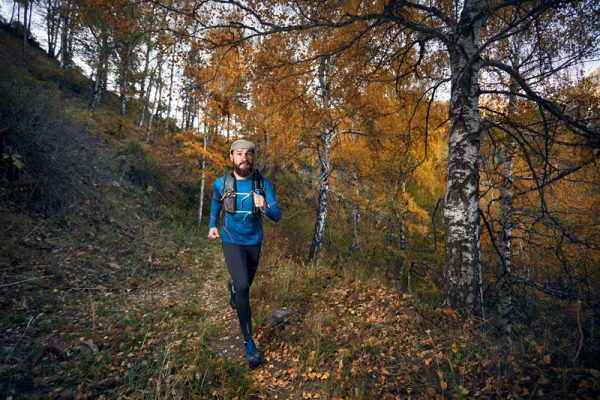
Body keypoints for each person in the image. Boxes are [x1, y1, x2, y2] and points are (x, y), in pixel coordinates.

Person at [208, 139, 282, 366]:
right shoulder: (221, 183)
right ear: (231, 157)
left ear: (252, 157)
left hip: (254, 241)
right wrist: (212, 224)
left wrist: (265, 207)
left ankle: (234, 288)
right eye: (239, 153)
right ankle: (248, 342)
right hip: (231, 240)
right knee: (243, 286)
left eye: (248, 154)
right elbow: (215, 202)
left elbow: (277, 215)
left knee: (244, 284)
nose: (244, 158)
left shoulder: (262, 183)